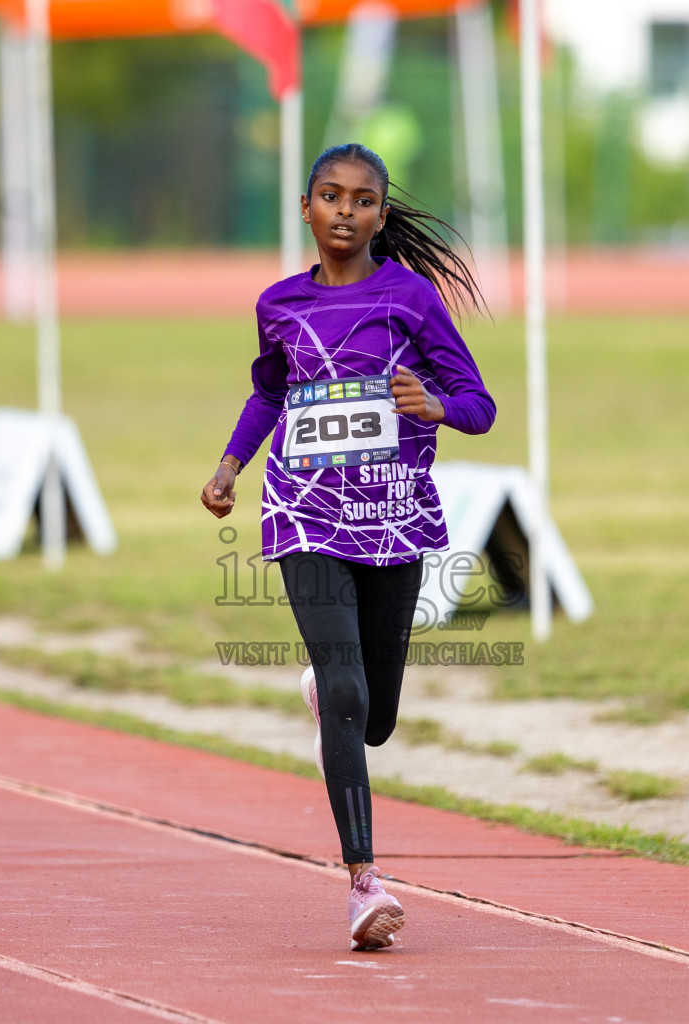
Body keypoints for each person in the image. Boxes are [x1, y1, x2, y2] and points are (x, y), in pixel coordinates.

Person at [200, 143, 495, 952]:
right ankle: (364, 885)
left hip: (394, 516)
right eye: (329, 196)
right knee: (346, 690)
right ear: (306, 209)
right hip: (305, 513)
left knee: (378, 716)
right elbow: (269, 392)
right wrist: (231, 466)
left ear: (380, 214)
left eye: (362, 200)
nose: (344, 210)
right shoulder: (278, 305)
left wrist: (432, 405)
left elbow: (480, 405)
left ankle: (335, 691)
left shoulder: (411, 298)